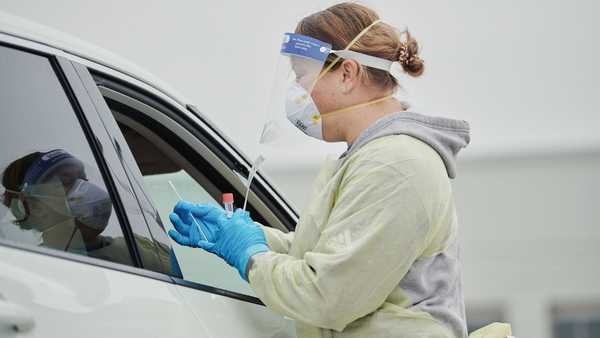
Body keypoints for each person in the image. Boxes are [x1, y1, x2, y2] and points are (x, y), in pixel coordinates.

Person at [169, 3, 470, 337]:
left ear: (347, 74)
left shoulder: (396, 165)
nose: (296, 92)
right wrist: (249, 236)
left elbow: (326, 295)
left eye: (301, 74)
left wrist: (251, 256)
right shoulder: (369, 158)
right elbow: (331, 256)